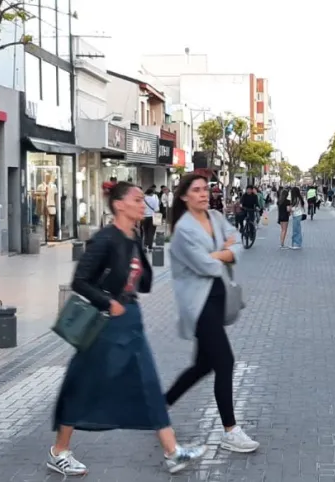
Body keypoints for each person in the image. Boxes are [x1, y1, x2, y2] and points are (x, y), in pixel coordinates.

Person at [50, 181, 205, 476]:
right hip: (104, 324)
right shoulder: (105, 239)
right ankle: (59, 450)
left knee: (148, 383)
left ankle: (172, 452)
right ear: (119, 204)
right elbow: (80, 281)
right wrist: (108, 302)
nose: (142, 204)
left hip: (130, 320)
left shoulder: (131, 238)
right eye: (136, 199)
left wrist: (138, 249)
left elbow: (143, 283)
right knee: (82, 384)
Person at [165, 174, 260, 454]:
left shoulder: (216, 217)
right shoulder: (182, 230)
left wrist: (223, 252)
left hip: (218, 298)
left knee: (203, 365)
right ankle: (230, 431)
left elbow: (238, 245)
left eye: (205, 189)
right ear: (184, 196)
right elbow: (206, 266)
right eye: (196, 190)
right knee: (225, 362)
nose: (203, 194)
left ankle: (159, 406)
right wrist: (224, 252)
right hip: (198, 305)